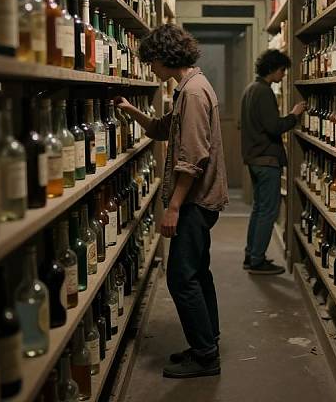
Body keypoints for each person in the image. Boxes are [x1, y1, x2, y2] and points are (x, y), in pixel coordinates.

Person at [116, 24, 228, 379]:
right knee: (197, 271)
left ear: (166, 58)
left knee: (181, 278)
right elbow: (163, 128)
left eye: (151, 62)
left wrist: (173, 207)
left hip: (194, 202)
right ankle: (206, 341)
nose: (151, 69)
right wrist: (130, 110)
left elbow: (192, 157)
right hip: (199, 200)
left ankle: (206, 356)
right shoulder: (189, 89)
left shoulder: (193, 93)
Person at [240, 49, 306, 275]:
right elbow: (274, 127)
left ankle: (251, 255)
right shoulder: (264, 92)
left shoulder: (250, 89)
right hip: (267, 160)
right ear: (273, 69)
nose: (283, 74)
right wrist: (295, 115)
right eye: (282, 70)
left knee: (259, 209)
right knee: (269, 211)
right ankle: (257, 260)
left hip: (254, 158)